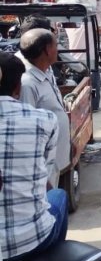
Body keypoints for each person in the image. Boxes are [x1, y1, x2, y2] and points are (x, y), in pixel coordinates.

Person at [0, 54, 67, 261]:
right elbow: (44, 162)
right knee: (58, 195)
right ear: (18, 87)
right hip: (30, 240)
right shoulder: (44, 120)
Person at [17, 28, 70, 187]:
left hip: (56, 158)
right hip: (43, 167)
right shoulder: (28, 84)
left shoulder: (46, 72)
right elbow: (27, 132)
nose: (58, 49)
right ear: (47, 50)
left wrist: (67, 141)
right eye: (56, 45)